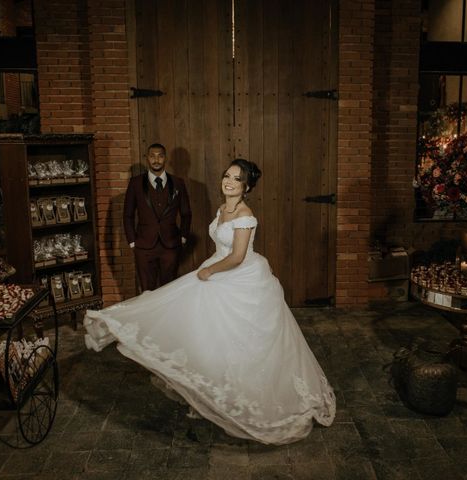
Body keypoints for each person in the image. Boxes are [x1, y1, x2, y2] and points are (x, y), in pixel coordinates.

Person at [84, 159, 335, 445]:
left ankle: (243, 396)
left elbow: (238, 256)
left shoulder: (245, 215)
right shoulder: (222, 209)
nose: (228, 181)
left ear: (247, 186)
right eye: (226, 176)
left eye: (236, 179)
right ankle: (206, 394)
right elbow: (223, 249)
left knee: (237, 339)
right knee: (205, 333)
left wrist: (209, 271)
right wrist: (209, 268)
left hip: (239, 277)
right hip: (217, 267)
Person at [123, 143, 192, 291]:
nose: (156, 160)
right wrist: (132, 242)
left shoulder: (178, 183)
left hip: (171, 246)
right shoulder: (135, 183)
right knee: (147, 290)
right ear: (147, 158)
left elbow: (186, 213)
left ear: (165, 158)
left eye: (160, 156)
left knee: (169, 291)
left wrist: (183, 237)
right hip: (143, 246)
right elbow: (128, 215)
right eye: (152, 156)